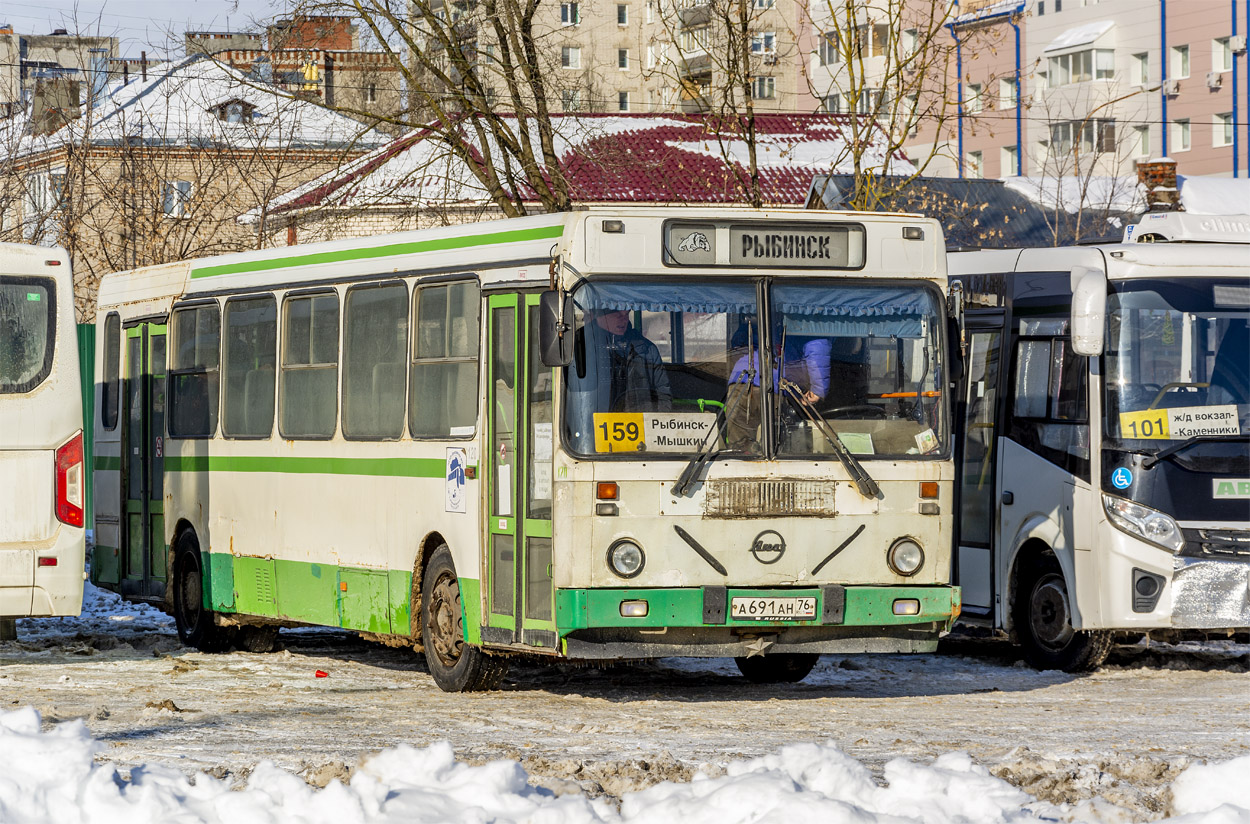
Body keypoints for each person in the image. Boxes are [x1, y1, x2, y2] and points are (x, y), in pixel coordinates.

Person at [565, 307, 672, 452]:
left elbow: (662, 393)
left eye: (627, 314)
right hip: (590, 440)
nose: (624, 319)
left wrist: (658, 432)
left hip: (640, 440)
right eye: (617, 314)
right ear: (599, 315)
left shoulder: (646, 349)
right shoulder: (579, 345)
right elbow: (568, 396)